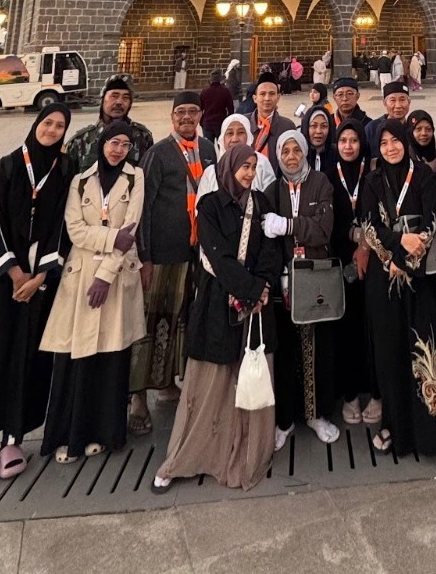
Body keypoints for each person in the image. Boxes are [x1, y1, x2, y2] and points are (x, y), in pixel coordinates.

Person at [152, 145, 279, 493]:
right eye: (244, 167)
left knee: (249, 376)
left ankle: (247, 450)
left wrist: (262, 288)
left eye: (254, 167)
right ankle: (191, 456)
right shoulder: (209, 206)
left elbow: (271, 250)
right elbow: (215, 254)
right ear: (228, 167)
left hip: (255, 306)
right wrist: (249, 289)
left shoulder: (262, 205)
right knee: (212, 382)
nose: (250, 173)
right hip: (217, 302)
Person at [0, 104, 74, 489]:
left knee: (30, 355)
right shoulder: (8, 166)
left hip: (40, 279)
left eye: (60, 125)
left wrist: (41, 274)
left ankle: (14, 440)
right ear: (36, 124)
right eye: (48, 123)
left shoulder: (65, 169)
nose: (53, 130)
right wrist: (13, 274)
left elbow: (63, 224)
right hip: (2, 281)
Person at [40, 122, 146, 463]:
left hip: (113, 277)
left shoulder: (135, 178)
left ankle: (104, 432)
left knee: (110, 358)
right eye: (114, 143)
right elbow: (75, 229)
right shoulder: (81, 181)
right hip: (81, 272)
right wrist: (111, 238)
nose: (118, 150)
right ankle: (69, 435)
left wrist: (105, 274)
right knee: (75, 357)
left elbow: (130, 230)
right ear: (102, 144)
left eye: (125, 145)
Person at [359, 120, 436, 457]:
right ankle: (393, 426)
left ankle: (431, 430)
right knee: (390, 351)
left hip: (420, 278)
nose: (390, 148)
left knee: (423, 350)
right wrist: (394, 252)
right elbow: (368, 226)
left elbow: (432, 222)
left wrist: (407, 260)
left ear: (405, 141)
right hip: (384, 279)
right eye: (383, 143)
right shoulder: (371, 179)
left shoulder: (424, 176)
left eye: (395, 141)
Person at [128, 92, 216, 436]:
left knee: (181, 321)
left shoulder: (208, 151)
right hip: (163, 255)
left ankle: (166, 384)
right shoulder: (158, 154)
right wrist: (145, 256)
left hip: (195, 252)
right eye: (181, 112)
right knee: (152, 323)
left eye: (193, 112)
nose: (187, 118)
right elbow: (143, 209)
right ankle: (138, 396)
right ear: (172, 117)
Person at [264, 131, 339, 448]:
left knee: (316, 348)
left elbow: (323, 229)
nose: (291, 156)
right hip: (283, 280)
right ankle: (285, 419)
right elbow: (265, 233)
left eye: (297, 150)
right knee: (286, 351)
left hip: (313, 276)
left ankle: (316, 414)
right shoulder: (272, 189)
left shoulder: (321, 183)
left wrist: (290, 225)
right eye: (286, 151)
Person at [326, 121, 381, 426]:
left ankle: (376, 391)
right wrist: (352, 237)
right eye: (343, 140)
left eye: (354, 140)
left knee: (373, 327)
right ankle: (349, 395)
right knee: (346, 331)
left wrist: (367, 244)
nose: (348, 146)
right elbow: (326, 221)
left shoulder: (372, 176)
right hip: (341, 263)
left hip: (373, 260)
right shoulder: (327, 177)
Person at [65, 74, 153, 174]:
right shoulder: (81, 140)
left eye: (125, 97)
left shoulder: (143, 137)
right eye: (114, 96)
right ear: (102, 100)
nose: (119, 102)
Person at [197, 113, 277, 198]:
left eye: (241, 132)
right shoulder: (211, 172)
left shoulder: (261, 163)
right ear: (222, 139)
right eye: (230, 133)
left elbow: (271, 200)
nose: (235, 139)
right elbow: (201, 208)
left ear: (248, 136)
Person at [249, 72, 296, 172]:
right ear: (255, 98)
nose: (267, 98)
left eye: (272, 94)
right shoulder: (244, 124)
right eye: (262, 94)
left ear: (278, 97)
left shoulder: (287, 126)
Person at [366, 80, 411, 148]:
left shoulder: (413, 129)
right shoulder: (372, 128)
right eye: (392, 100)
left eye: (402, 100)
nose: (398, 106)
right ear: (385, 103)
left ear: (409, 102)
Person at [199, 69, 234, 144]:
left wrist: (201, 121)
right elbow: (231, 109)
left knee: (208, 148)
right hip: (220, 123)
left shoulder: (205, 91)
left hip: (207, 123)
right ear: (220, 79)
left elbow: (200, 109)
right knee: (222, 147)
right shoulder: (225, 91)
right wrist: (227, 121)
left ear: (210, 80)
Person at [301, 105, 337, 173]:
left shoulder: (337, 155)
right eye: (313, 125)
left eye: (324, 126)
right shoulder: (299, 156)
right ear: (306, 128)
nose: (319, 131)